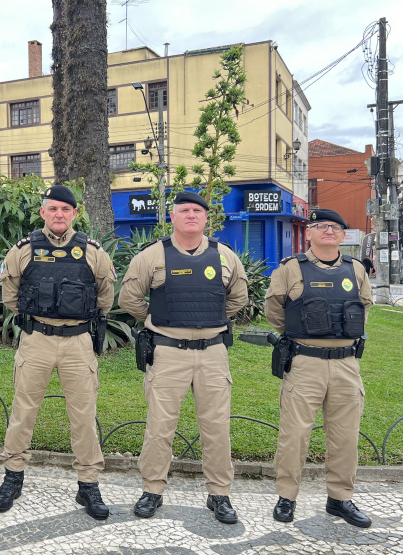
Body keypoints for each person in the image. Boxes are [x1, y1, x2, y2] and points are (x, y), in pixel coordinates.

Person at [119, 191, 248, 524]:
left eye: (197, 211)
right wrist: (160, 318)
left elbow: (237, 299)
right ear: (172, 217)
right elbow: (130, 298)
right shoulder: (152, 256)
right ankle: (152, 490)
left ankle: (219, 495)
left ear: (206, 218)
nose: (191, 215)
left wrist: (210, 322)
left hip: (213, 354)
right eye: (184, 210)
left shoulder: (225, 257)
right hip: (167, 353)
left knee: (216, 428)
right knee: (160, 427)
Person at [0, 185, 116, 520]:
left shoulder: (92, 250)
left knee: (84, 415)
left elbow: (105, 293)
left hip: (78, 342)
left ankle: (88, 484)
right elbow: (10, 293)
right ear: (43, 212)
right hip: (37, 339)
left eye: (65, 209)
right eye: (53, 209)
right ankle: (13, 476)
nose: (59, 214)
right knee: (23, 411)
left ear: (75, 213)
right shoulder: (24, 249)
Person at [264, 208, 373, 528]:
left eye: (336, 227)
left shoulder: (356, 270)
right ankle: (287, 497)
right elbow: (275, 312)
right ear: (308, 232)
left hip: (346, 365)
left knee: (345, 436)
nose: (329, 231)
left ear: (343, 235)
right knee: (294, 435)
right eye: (321, 226)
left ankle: (340, 499)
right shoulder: (290, 269)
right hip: (305, 363)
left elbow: (364, 308)